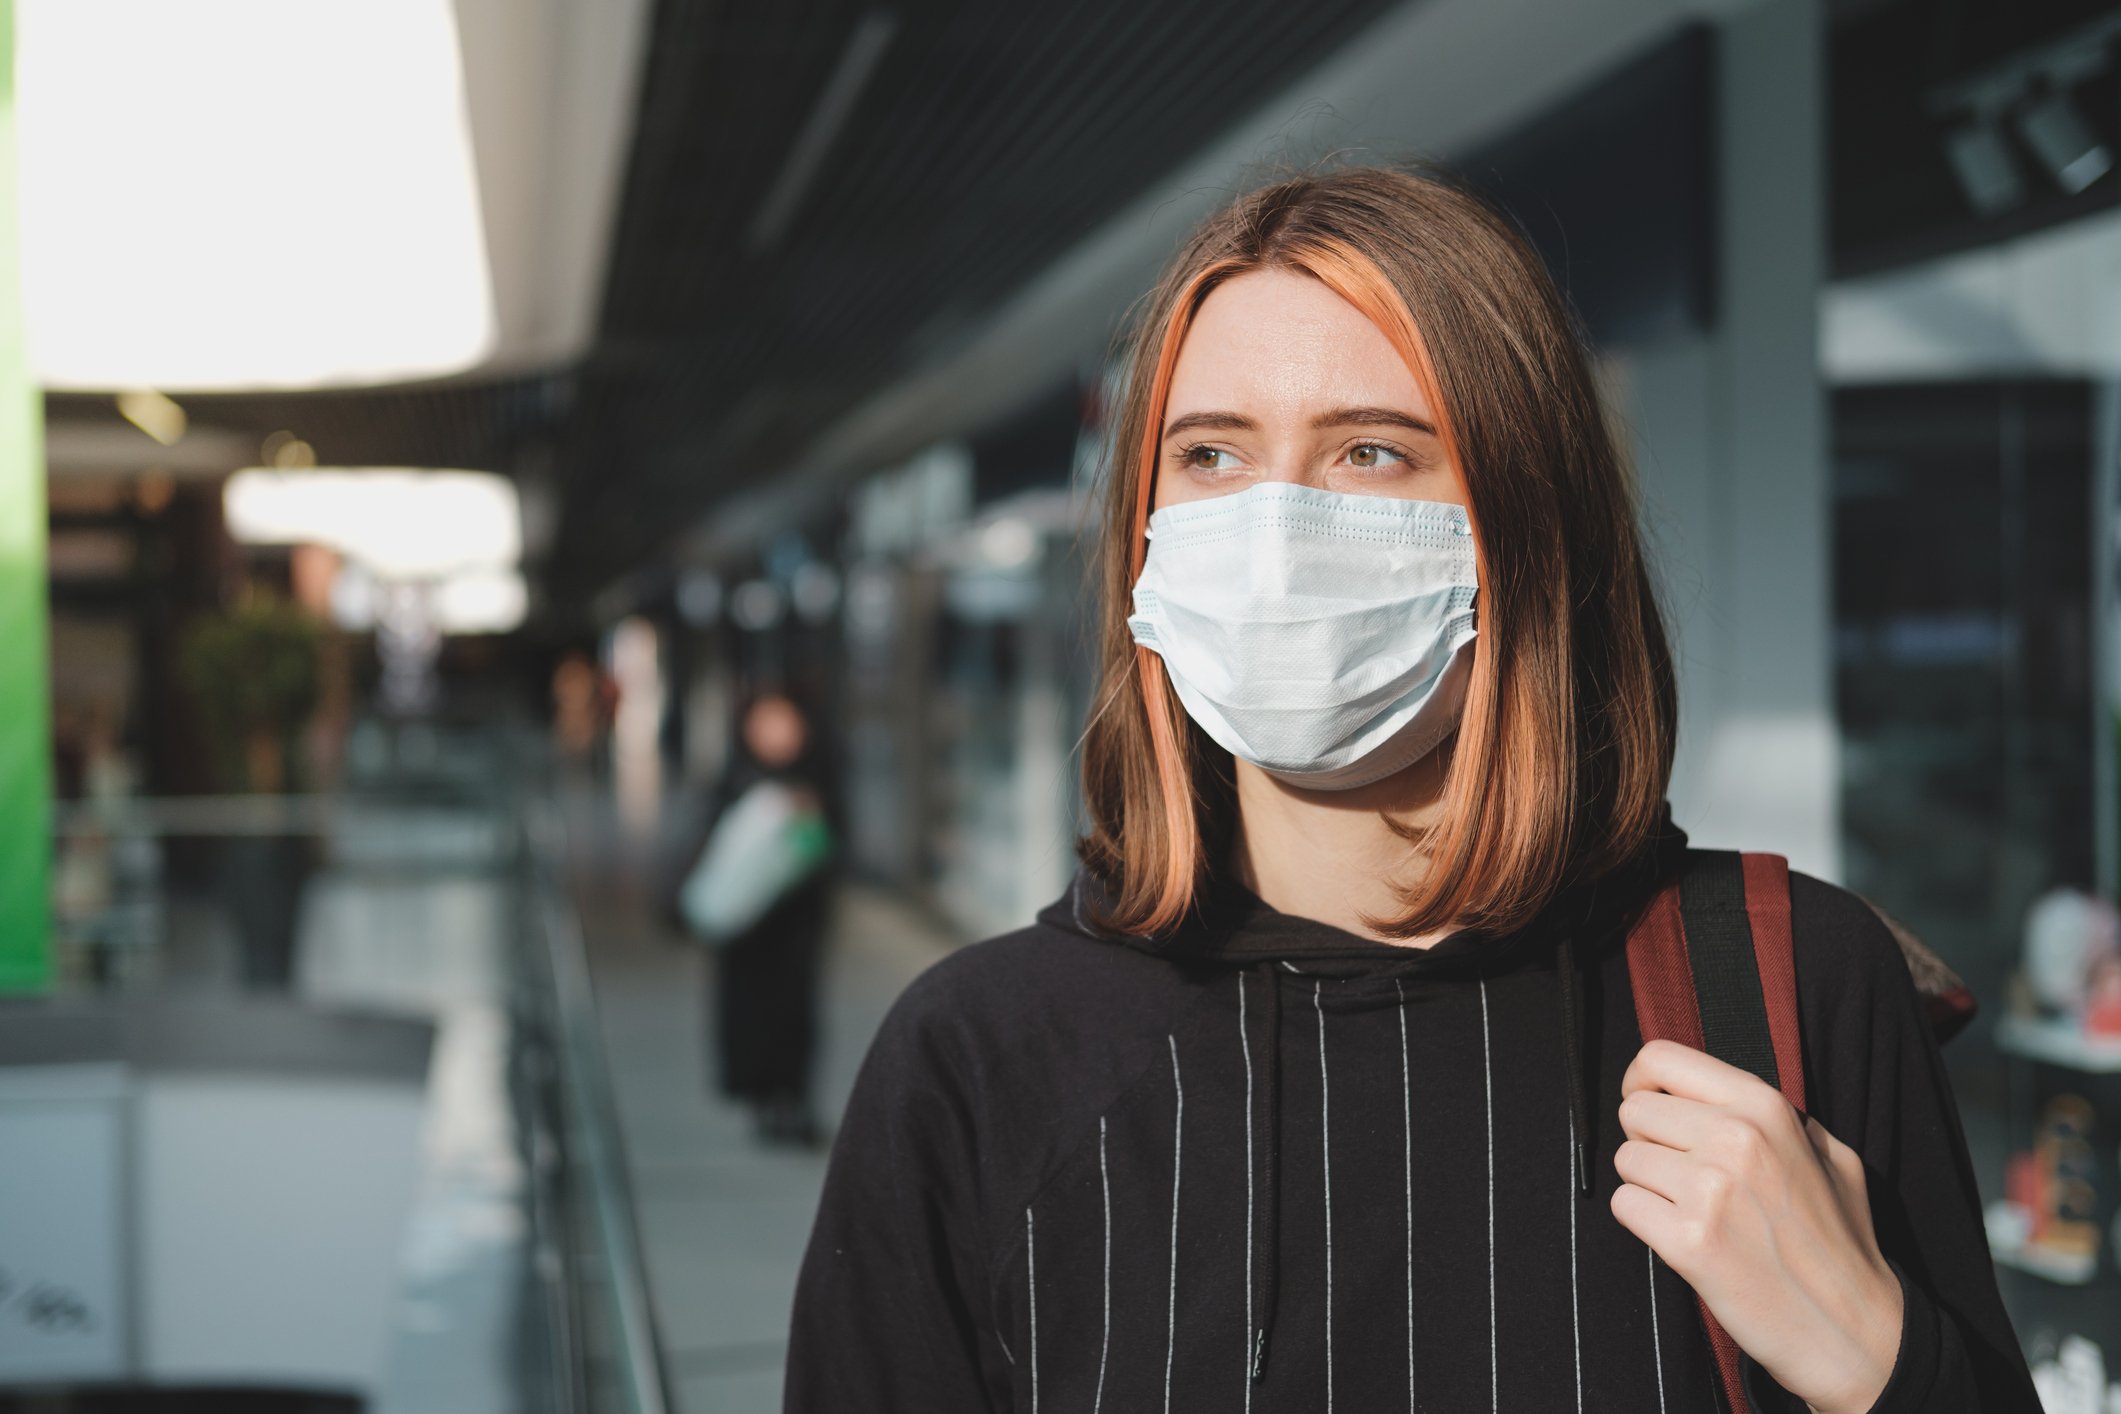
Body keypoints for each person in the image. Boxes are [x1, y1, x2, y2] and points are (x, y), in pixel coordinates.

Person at [786, 166, 2038, 1411]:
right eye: (1212, 453)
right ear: (1144, 538)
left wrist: (1882, 1362)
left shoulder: (1786, 991)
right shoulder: (981, 1059)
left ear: (1530, 523)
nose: (1277, 528)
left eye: (1372, 451)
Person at [695, 690, 835, 1146]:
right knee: (749, 1013)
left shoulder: (817, 779)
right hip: (746, 928)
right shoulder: (734, 778)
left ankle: (792, 1100)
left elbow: (835, 847)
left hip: (796, 925)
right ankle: (760, 1098)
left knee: (795, 1013)